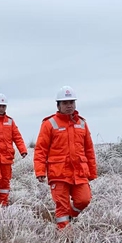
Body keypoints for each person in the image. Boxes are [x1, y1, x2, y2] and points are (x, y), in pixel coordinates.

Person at [33, 86, 97, 229]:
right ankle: (65, 238)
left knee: (84, 200)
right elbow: (40, 149)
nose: (69, 106)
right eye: (65, 103)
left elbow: (89, 150)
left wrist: (92, 172)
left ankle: (71, 216)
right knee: (61, 206)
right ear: (58, 105)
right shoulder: (49, 124)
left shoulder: (82, 123)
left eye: (71, 103)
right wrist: (40, 171)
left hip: (79, 172)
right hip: (58, 172)